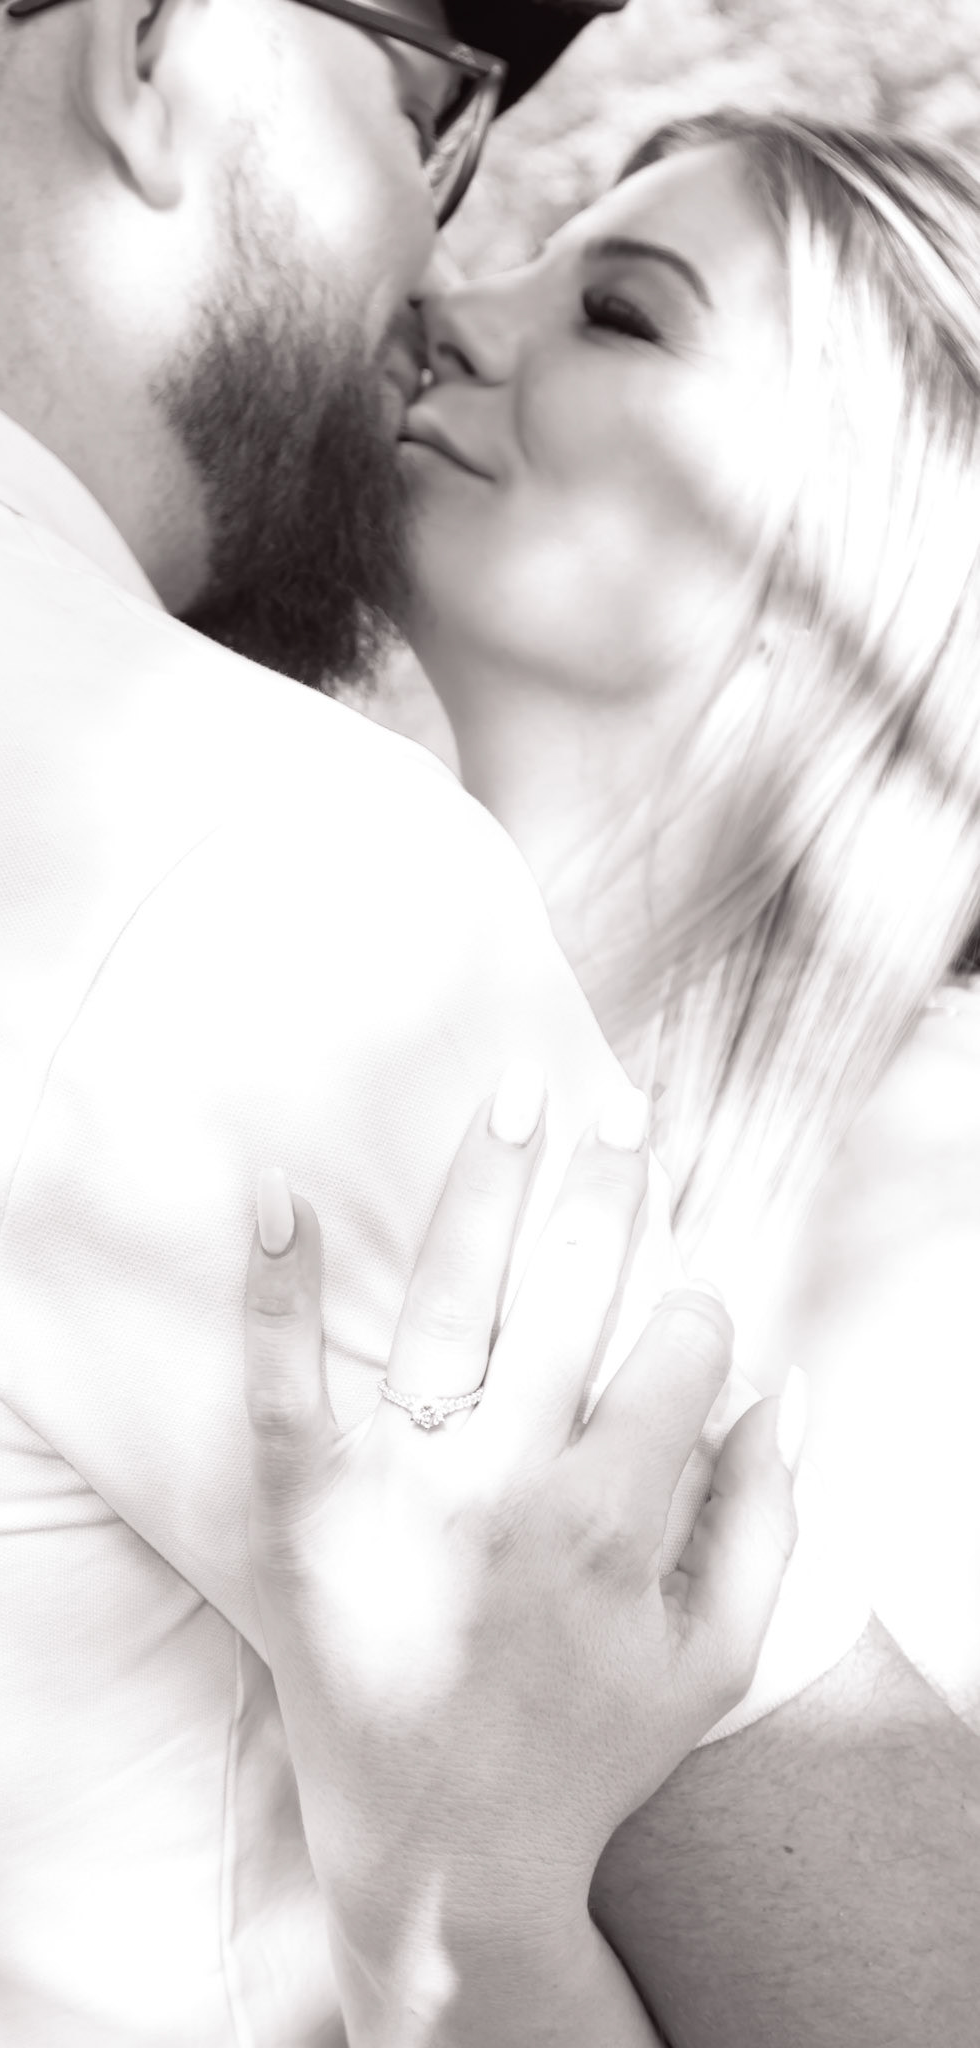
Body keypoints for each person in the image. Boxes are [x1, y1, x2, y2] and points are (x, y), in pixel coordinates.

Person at [0, 3, 836, 2044]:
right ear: (153, 52)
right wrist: (457, 1911)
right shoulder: (216, 838)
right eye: (427, 113)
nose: (436, 276)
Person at [248, 110, 980, 2047]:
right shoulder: (334, 1051)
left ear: (853, 542)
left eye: (624, 312)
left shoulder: (935, 1212)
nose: (443, 304)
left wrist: (454, 1894)